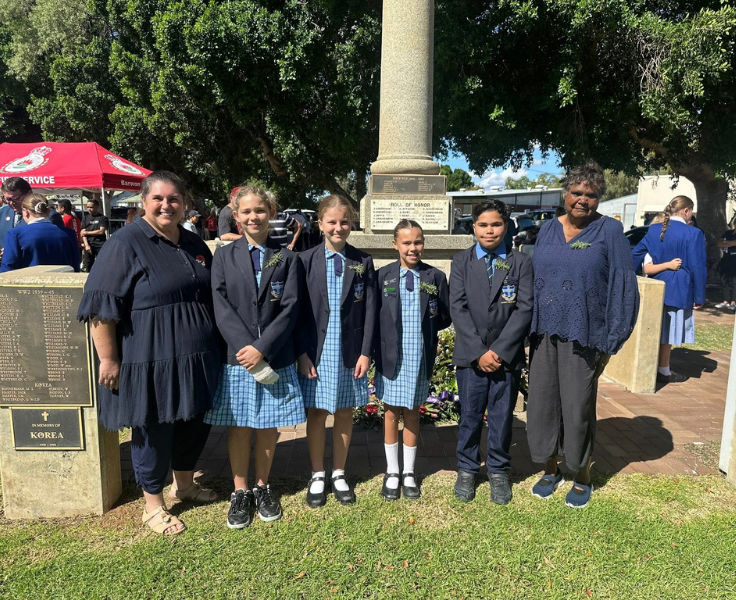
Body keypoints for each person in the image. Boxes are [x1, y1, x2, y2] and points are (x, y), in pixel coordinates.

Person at [77, 171, 221, 536]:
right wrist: (108, 359)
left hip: (198, 356)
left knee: (193, 423)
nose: (167, 205)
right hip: (150, 357)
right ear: (144, 202)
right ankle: (153, 505)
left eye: (174, 199)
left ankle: (184, 485)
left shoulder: (194, 244)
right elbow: (100, 308)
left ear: (185, 203)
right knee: (154, 427)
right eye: (158, 198)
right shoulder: (125, 244)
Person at [527, 161, 639, 509]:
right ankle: (550, 469)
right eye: (576, 193)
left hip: (585, 336)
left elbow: (624, 285)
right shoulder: (546, 230)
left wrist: (611, 340)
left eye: (590, 195)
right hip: (543, 333)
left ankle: (581, 474)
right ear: (565, 193)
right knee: (542, 405)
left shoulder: (609, 232)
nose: (582, 201)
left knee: (577, 408)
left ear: (598, 199)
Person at [205, 186, 305, 528]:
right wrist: (244, 346)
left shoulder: (288, 258)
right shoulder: (224, 256)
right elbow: (221, 305)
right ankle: (240, 490)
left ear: (271, 212)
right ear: (236, 216)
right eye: (246, 212)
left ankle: (263, 486)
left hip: (273, 355)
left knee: (268, 424)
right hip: (238, 357)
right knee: (241, 424)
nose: (253, 217)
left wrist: (263, 347)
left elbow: (291, 308)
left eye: (260, 210)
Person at [450, 199, 533, 505]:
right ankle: (468, 469)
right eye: (483, 224)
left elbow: (524, 309)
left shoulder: (520, 262)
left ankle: (498, 470)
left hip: (505, 358)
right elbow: (457, 307)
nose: (489, 230)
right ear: (473, 227)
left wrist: (498, 350)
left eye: (496, 224)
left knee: (501, 417)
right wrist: (478, 351)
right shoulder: (461, 262)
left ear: (507, 225)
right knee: (470, 416)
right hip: (471, 357)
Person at [297, 195, 376, 508]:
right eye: (332, 221)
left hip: (350, 352)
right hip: (316, 354)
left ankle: (339, 472)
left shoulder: (362, 261)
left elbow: (370, 310)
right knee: (316, 413)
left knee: (344, 412)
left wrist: (366, 352)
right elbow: (298, 313)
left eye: (344, 221)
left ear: (351, 223)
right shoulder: (303, 261)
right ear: (320, 224)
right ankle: (318, 473)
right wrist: (302, 354)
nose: (338, 227)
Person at [374, 219, 451, 501]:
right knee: (392, 414)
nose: (412, 247)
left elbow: (444, 315)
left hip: (419, 357)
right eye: (406, 242)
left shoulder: (435, 277)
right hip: (390, 357)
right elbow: (375, 315)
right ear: (395, 244)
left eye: (417, 241)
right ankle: (392, 471)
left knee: (413, 413)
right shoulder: (383, 277)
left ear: (424, 243)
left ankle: (409, 472)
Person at [632, 195, 706, 383]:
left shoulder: (654, 229)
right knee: (669, 330)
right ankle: (663, 370)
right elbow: (698, 267)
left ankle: (656, 366)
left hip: (656, 285)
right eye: (691, 212)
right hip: (679, 288)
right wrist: (699, 296)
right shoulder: (693, 233)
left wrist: (629, 277)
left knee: (657, 327)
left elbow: (635, 254)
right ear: (686, 211)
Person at [0, 194, 80, 273]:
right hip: (64, 283)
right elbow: (75, 266)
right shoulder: (69, 233)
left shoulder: (15, 234)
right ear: (48, 212)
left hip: (28, 282)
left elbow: (8, 268)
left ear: (26, 212)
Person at [80, 199, 109, 271]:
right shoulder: (85, 218)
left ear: (97, 207)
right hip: (89, 244)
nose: (89, 209)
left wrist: (87, 232)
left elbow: (101, 231)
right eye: (88, 207)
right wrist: (86, 245)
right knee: (88, 265)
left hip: (100, 244)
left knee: (102, 264)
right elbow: (82, 233)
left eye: (91, 207)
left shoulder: (103, 218)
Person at [716, 217, 736, 312]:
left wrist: (727, 242)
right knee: (724, 280)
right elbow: (719, 244)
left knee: (734, 281)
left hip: (734, 259)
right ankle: (725, 300)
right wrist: (730, 244)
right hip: (726, 258)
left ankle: (733, 301)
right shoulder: (728, 233)